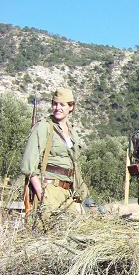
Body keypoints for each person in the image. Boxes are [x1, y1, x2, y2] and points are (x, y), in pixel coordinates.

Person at [20, 87, 88, 222]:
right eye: (55, 104)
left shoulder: (72, 132)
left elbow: (74, 166)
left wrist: (78, 196)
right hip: (48, 190)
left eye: (62, 104)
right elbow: (28, 166)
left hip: (68, 193)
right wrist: (42, 195)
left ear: (71, 107)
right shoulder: (44, 127)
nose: (57, 108)